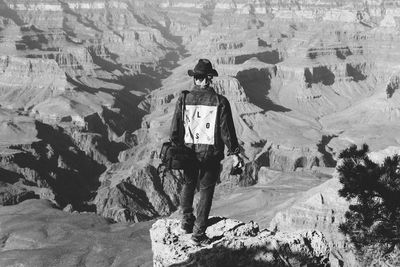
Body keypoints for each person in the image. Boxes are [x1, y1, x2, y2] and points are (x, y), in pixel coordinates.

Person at [169, 58, 244, 244]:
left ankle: (186, 221)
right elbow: (227, 132)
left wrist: (176, 146)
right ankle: (198, 234)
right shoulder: (220, 101)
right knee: (206, 192)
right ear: (209, 79)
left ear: (195, 79)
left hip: (188, 151)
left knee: (188, 183)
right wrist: (235, 153)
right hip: (210, 154)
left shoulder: (184, 98)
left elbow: (175, 128)